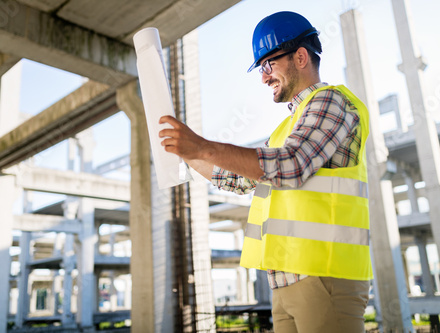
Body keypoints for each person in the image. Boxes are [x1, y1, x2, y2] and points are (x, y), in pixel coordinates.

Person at [159, 11, 372, 333]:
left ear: (300, 57)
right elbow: (237, 178)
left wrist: (202, 147)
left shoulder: (331, 101)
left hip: (324, 276)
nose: (263, 77)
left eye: (267, 65)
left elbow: (292, 164)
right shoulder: (287, 128)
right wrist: (184, 153)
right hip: (285, 279)